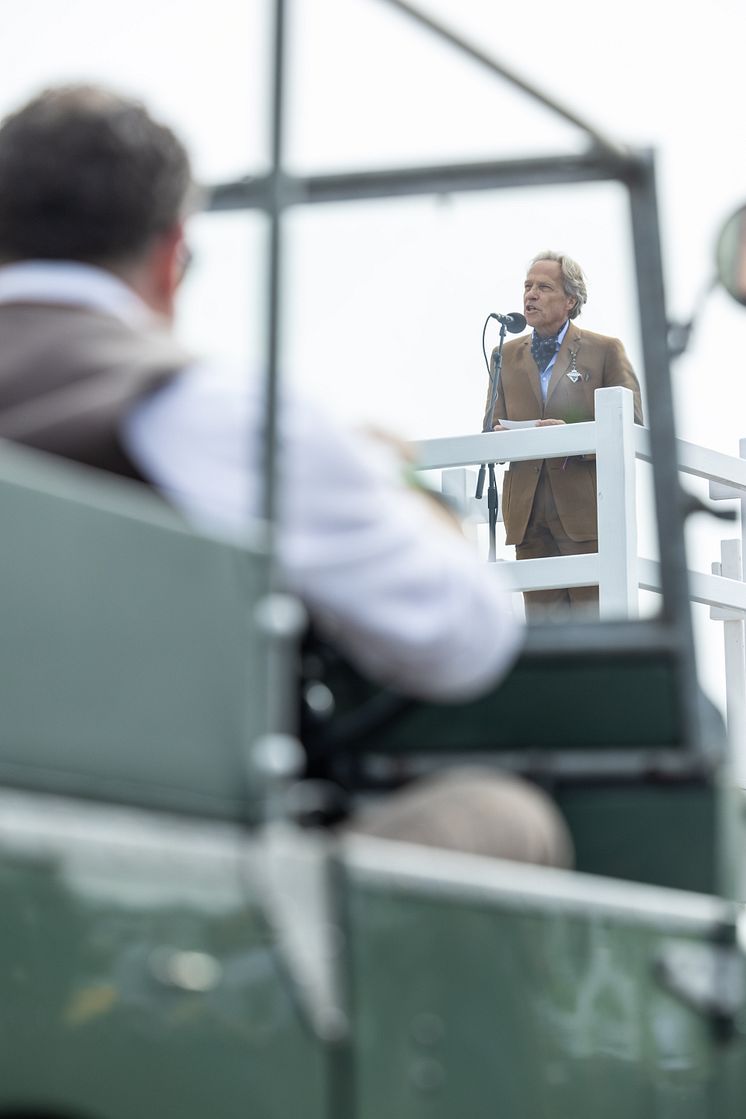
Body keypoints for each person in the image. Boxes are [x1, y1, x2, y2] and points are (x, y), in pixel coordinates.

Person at [0, 82, 524, 707]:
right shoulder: (211, 411)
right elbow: (465, 642)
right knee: (497, 810)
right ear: (171, 258)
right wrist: (400, 483)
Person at [483, 251, 643, 618]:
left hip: (585, 512)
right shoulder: (502, 355)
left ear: (570, 300)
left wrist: (572, 435)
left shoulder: (604, 350)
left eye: (544, 287)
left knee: (595, 627)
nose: (531, 295)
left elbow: (632, 422)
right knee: (544, 636)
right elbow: (489, 425)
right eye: (527, 286)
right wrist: (500, 435)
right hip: (527, 516)